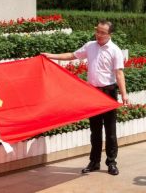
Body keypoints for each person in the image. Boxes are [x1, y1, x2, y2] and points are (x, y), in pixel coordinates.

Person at [42, 20, 128, 176]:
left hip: (108, 93)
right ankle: (94, 162)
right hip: (93, 93)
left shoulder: (115, 50)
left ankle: (111, 162)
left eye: (102, 32)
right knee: (95, 131)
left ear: (110, 34)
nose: (98, 35)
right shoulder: (90, 46)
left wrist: (124, 94)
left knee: (110, 131)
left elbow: (119, 73)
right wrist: (51, 56)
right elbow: (72, 55)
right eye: (97, 31)